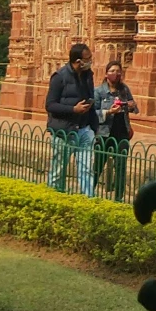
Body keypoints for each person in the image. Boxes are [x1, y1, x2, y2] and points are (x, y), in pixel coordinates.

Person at [45, 41, 98, 195]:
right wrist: (73, 109)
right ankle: (54, 197)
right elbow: (50, 105)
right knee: (58, 169)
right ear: (78, 61)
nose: (90, 62)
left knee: (87, 169)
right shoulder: (59, 77)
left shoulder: (88, 75)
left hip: (84, 129)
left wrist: (94, 128)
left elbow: (90, 99)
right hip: (65, 130)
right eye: (87, 59)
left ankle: (88, 201)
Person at [93, 59, 139, 196]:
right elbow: (92, 114)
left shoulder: (124, 89)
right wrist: (108, 112)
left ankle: (119, 196)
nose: (116, 74)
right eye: (112, 71)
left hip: (121, 132)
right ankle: (89, 192)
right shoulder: (99, 91)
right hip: (104, 133)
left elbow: (134, 107)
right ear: (107, 74)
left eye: (118, 71)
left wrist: (132, 106)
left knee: (120, 166)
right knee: (98, 165)